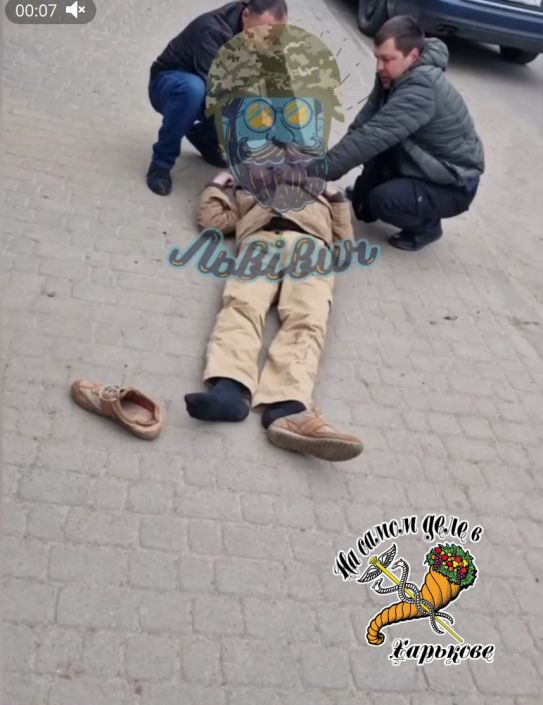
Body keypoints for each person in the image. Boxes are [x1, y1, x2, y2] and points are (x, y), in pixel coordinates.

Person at [183, 170, 364, 462]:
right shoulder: (249, 192)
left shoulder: (321, 196)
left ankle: (287, 405)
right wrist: (217, 184)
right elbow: (212, 223)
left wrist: (336, 196)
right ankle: (229, 388)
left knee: (307, 318)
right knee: (241, 307)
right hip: (260, 242)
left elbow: (345, 249)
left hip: (311, 247)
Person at [319, 15, 485, 251]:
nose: (379, 67)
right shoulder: (393, 75)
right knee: (363, 208)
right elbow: (364, 126)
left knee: (381, 201)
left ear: (413, 56)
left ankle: (428, 226)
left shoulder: (421, 88)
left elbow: (371, 138)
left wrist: (314, 173)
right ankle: (389, 193)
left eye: (387, 59)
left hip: (452, 183)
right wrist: (324, 166)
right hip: (424, 162)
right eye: (377, 58)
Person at [147, 0, 288, 196]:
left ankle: (205, 137)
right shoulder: (212, 30)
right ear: (246, 15)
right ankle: (161, 163)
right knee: (195, 91)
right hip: (170, 86)